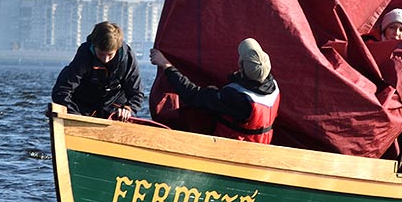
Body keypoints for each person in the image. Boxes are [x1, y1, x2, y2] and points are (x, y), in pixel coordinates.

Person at [149, 38, 280, 144]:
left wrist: (166, 65)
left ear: (241, 66)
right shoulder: (273, 87)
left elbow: (192, 94)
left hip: (232, 150)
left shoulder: (237, 98)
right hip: (261, 148)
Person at [52, 21, 144, 121]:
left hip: (114, 110)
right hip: (83, 107)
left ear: (117, 49)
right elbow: (62, 90)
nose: (105, 59)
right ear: (94, 46)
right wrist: (74, 115)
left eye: (110, 55)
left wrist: (128, 109)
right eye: (101, 54)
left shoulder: (128, 58)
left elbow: (136, 93)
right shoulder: (84, 54)